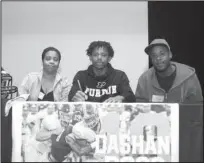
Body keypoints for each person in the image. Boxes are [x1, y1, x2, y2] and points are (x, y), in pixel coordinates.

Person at [135, 38, 203, 104]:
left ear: (170, 54)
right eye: (154, 55)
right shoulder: (144, 80)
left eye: (162, 54)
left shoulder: (188, 76)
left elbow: (197, 107)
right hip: (155, 115)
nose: (158, 58)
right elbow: (140, 108)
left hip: (184, 115)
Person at [68, 41, 135, 103]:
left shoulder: (119, 76)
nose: (99, 58)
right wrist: (75, 97)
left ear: (109, 58)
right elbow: (71, 97)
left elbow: (130, 97)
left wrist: (120, 98)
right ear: (90, 57)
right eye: (95, 55)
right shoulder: (81, 76)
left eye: (103, 55)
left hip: (112, 114)